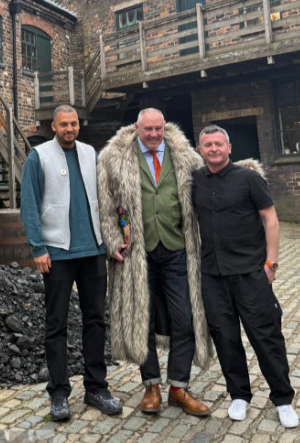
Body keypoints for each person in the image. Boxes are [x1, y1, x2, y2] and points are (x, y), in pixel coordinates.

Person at [97, 108, 213, 416]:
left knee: (185, 317)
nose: (153, 134)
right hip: (137, 253)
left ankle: (178, 386)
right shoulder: (114, 157)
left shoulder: (186, 156)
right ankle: (151, 385)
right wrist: (111, 241)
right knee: (141, 319)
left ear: (165, 127)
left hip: (177, 249)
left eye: (158, 129)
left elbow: (208, 191)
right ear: (137, 128)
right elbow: (106, 204)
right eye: (147, 129)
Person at [191, 124, 298, 429]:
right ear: (200, 150)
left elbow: (271, 219)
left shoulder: (249, 178)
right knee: (225, 337)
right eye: (208, 145)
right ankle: (239, 394)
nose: (213, 149)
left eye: (218, 144)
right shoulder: (195, 181)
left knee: (266, 336)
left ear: (229, 148)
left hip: (251, 272)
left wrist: (271, 263)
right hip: (212, 274)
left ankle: (283, 399)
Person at [20, 104, 122, 422]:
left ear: (79, 125)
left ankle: (96, 388)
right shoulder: (39, 157)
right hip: (58, 253)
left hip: (92, 251)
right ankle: (59, 393)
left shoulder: (91, 153)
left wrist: (113, 237)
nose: (69, 129)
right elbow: (29, 204)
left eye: (74, 124)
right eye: (63, 124)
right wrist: (38, 248)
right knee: (57, 325)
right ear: (54, 126)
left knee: (95, 321)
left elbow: (107, 198)